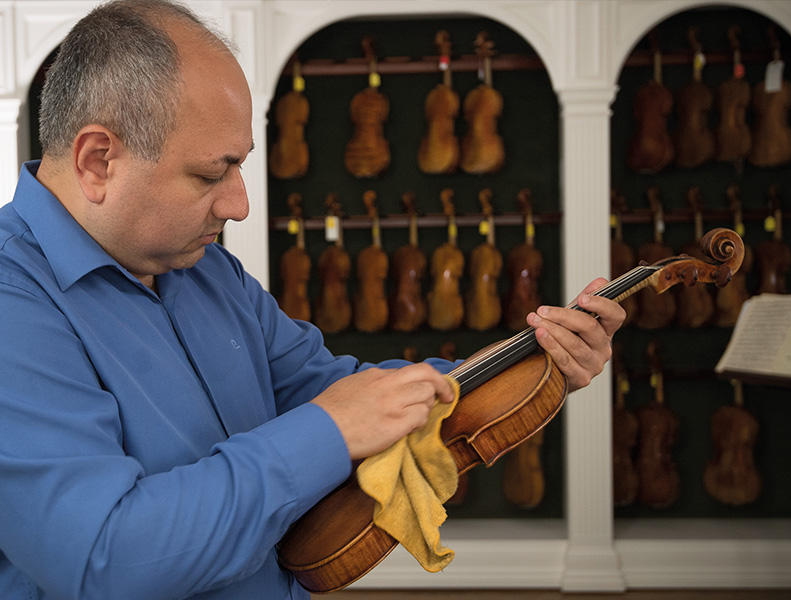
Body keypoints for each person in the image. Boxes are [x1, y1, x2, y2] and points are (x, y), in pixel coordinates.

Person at [0, 1, 625, 598]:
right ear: (98, 160)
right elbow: (102, 559)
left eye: (239, 168)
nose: (238, 204)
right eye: (210, 175)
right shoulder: (12, 303)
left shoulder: (203, 267)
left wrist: (532, 365)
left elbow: (336, 390)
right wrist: (326, 432)